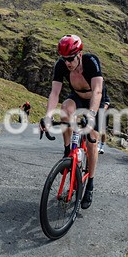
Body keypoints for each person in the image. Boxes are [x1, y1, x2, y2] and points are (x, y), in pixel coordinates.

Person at [39, 34, 104, 209]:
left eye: (71, 58)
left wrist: (91, 114)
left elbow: (98, 91)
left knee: (91, 141)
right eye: (64, 58)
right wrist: (47, 117)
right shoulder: (61, 66)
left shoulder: (91, 62)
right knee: (65, 110)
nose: (67, 62)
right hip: (77, 97)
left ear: (79, 54)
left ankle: (90, 183)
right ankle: (68, 150)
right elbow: (55, 93)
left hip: (95, 101)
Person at [98, 87, 111, 154]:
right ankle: (96, 143)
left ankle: (102, 146)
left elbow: (105, 107)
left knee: (103, 131)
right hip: (96, 112)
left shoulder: (106, 97)